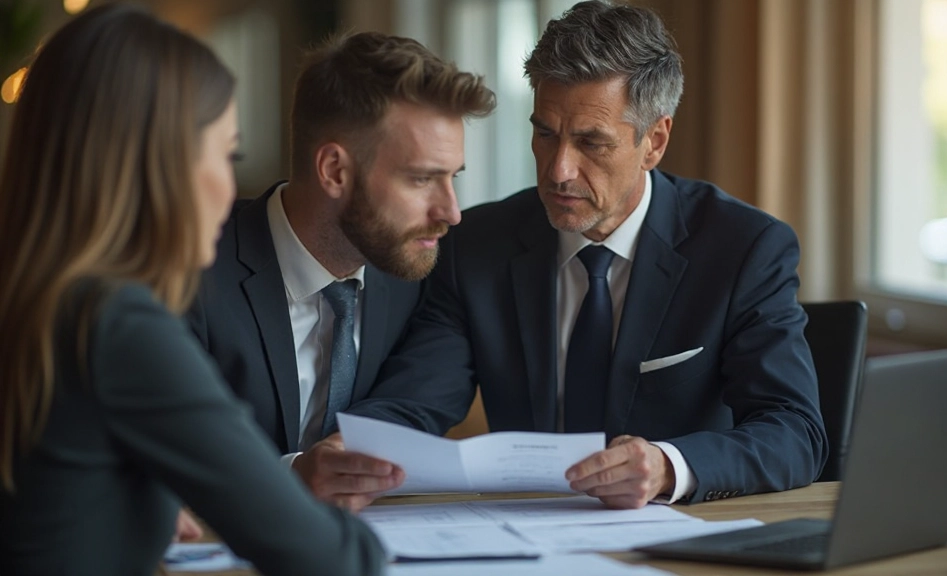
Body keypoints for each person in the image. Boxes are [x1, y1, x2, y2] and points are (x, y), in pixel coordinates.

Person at [349, 0, 827, 509]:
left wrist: (667, 466)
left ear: (654, 142)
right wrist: (350, 450)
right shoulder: (478, 245)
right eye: (545, 133)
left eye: (591, 143)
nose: (558, 170)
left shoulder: (743, 249)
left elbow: (794, 432)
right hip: (524, 532)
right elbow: (415, 400)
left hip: (679, 536)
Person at [0, 5, 383, 574]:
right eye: (227, 154)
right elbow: (331, 557)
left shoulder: (35, 295)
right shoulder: (119, 323)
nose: (231, 188)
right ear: (162, 164)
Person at [186, 31, 495, 511]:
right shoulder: (189, 273)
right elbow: (158, 453)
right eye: (421, 178)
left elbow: (424, 395)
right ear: (334, 170)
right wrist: (291, 474)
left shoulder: (413, 271)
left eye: (452, 177)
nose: (451, 211)